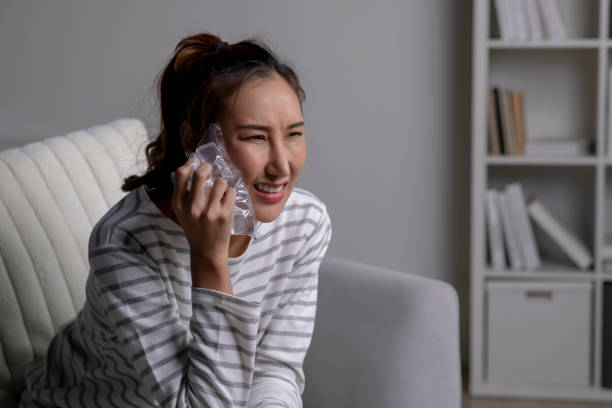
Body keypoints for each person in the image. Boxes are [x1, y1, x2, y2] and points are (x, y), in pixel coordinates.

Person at [20, 32, 331, 407]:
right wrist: (209, 259)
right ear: (198, 142)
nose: (282, 166)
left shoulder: (305, 223)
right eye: (255, 138)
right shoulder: (125, 242)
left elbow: (275, 369)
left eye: (294, 134)